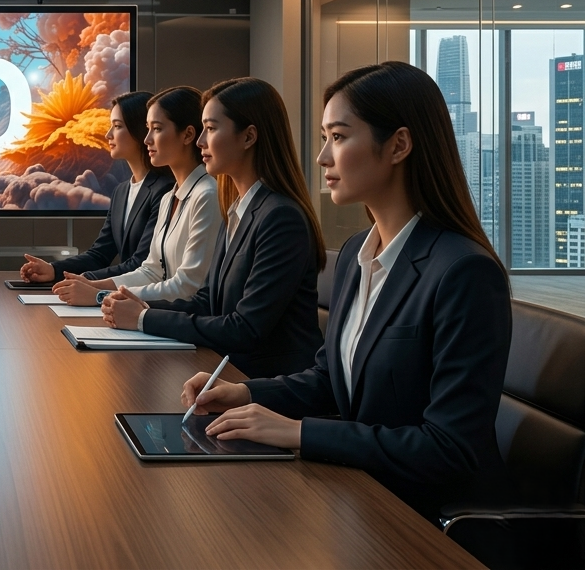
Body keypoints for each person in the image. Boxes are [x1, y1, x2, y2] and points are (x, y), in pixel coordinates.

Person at [181, 61, 512, 521]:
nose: (322, 158)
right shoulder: (358, 252)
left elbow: (448, 448)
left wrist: (299, 432)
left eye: (337, 137)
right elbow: (330, 380)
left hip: (420, 520)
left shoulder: (464, 272)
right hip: (356, 494)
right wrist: (245, 393)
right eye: (325, 138)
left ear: (398, 145)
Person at [102, 77, 324, 379]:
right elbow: (207, 301)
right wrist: (143, 308)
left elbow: (245, 328)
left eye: (211, 128)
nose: (200, 142)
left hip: (264, 384)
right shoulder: (236, 208)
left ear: (248, 137)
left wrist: (143, 318)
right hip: (229, 371)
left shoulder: (280, 217)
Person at [53, 86, 220, 305]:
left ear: (188, 135)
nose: (147, 139)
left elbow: (188, 286)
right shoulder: (169, 198)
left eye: (157, 129)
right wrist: (93, 285)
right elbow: (151, 272)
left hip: (180, 317)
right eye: (148, 129)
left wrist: (99, 296)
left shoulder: (207, 194)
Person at [19, 91, 172, 288]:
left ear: (140, 130)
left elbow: (141, 264)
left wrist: (84, 281)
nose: (108, 134)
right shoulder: (121, 191)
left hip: (146, 297)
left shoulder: (165, 189)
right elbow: (99, 254)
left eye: (117, 126)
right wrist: (53, 270)